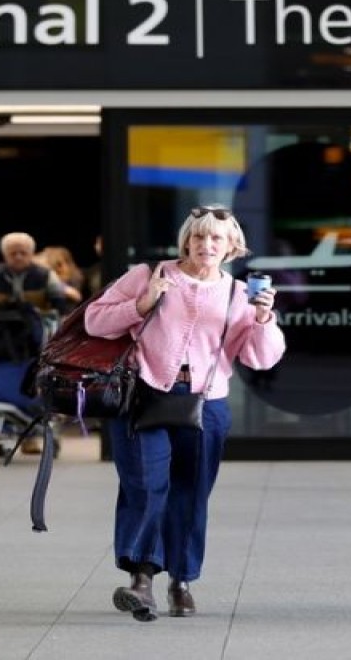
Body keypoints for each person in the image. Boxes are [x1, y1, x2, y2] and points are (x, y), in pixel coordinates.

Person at [85, 204, 286, 622]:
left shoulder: (238, 293)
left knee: (191, 494)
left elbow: (261, 359)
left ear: (232, 246)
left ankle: (182, 580)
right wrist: (141, 305)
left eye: (216, 238)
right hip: (143, 395)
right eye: (199, 236)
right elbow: (94, 321)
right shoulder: (148, 275)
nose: (206, 244)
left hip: (206, 404)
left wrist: (264, 319)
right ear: (187, 241)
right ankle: (141, 579)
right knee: (145, 485)